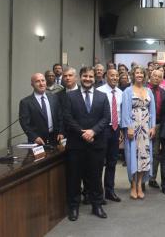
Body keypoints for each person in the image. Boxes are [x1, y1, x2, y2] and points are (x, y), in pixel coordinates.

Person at [64, 66, 110, 221]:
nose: (88, 79)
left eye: (90, 76)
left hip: (96, 144)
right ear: (79, 77)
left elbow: (106, 118)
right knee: (74, 177)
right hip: (76, 144)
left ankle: (97, 205)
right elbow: (68, 118)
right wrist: (83, 132)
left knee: (96, 177)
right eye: (85, 76)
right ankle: (74, 207)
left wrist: (92, 132)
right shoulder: (70, 97)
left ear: (94, 78)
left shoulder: (102, 96)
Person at [121, 66, 156, 200]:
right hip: (133, 128)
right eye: (137, 73)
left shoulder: (149, 91)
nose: (139, 75)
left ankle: (140, 185)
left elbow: (152, 111)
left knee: (144, 157)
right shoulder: (128, 91)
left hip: (146, 128)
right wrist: (128, 127)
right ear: (133, 75)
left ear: (145, 75)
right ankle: (133, 185)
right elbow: (125, 110)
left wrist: (153, 127)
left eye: (142, 73)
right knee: (132, 157)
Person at [97, 69, 123, 202]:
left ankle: (110, 190)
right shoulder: (99, 91)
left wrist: (121, 130)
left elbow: (122, 112)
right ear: (106, 76)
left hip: (115, 129)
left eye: (117, 76)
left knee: (112, 161)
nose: (115, 78)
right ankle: (98, 192)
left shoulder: (120, 93)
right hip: (102, 129)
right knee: (100, 161)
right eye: (112, 75)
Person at [19, 73, 64, 146]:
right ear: (32, 84)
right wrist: (34, 137)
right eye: (37, 81)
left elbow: (60, 117)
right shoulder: (26, 102)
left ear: (46, 82)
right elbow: (25, 124)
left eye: (43, 80)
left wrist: (61, 132)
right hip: (37, 141)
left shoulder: (54, 98)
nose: (41, 83)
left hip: (55, 139)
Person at [146, 69, 165, 189]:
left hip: (159, 125)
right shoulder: (143, 89)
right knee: (144, 153)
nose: (157, 78)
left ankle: (152, 178)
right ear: (150, 75)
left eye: (159, 77)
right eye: (155, 76)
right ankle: (142, 179)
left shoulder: (163, 92)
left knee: (156, 153)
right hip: (144, 125)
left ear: (162, 79)